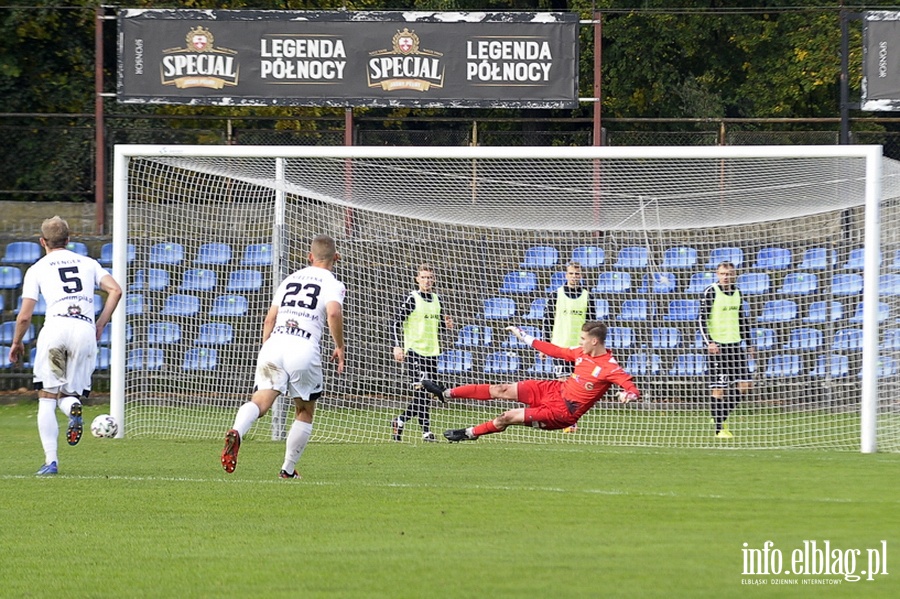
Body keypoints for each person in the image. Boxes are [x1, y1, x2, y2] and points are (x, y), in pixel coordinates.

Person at [221, 234, 346, 478]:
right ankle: (287, 470)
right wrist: (339, 346)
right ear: (336, 258)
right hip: (303, 346)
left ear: (309, 257)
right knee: (304, 410)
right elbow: (333, 313)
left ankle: (237, 430)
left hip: (275, 343)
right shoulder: (332, 282)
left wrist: (267, 347)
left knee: (260, 401)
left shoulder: (290, 279)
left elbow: (269, 318)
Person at [8, 216, 122, 476]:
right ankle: (72, 407)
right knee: (69, 392)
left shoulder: (37, 268)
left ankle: (51, 462)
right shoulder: (89, 263)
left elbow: (24, 315)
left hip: (56, 331)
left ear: (42, 242)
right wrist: (101, 323)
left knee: (47, 397)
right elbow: (115, 290)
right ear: (69, 240)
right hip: (84, 330)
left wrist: (16, 342)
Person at [421, 321, 640, 442]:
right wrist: (523, 336)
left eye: (583, 339)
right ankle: (445, 392)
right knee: (501, 389)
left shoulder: (609, 367)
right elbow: (554, 350)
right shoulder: (581, 353)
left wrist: (626, 394)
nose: (579, 343)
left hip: (562, 412)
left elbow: (631, 388)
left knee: (507, 417)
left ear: (594, 341)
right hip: (555, 389)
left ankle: (469, 433)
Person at [390, 263, 454, 442]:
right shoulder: (412, 298)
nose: (427, 280)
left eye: (430, 277)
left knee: (426, 395)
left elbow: (438, 326)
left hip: (432, 352)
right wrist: (397, 346)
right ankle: (426, 431)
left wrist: (446, 325)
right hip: (415, 351)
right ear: (417, 279)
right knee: (422, 389)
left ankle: (401, 421)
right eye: (424, 277)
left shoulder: (437, 299)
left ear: (434, 280)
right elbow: (396, 322)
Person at [698, 261, 754, 439]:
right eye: (723, 273)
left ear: (734, 274)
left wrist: (749, 343)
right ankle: (720, 429)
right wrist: (709, 342)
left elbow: (741, 319)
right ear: (717, 274)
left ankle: (719, 416)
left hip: (736, 345)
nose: (726, 276)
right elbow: (700, 319)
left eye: (729, 273)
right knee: (719, 389)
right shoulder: (711, 291)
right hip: (718, 347)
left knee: (745, 386)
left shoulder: (737, 292)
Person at [544, 261, 596, 379]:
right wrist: (545, 346)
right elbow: (548, 322)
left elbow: (592, 324)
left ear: (581, 275)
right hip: (560, 347)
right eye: (571, 273)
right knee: (563, 382)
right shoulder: (555, 295)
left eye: (577, 274)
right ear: (566, 275)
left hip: (580, 348)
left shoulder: (588, 296)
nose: (574, 276)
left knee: (578, 383)